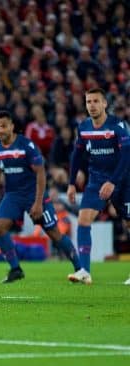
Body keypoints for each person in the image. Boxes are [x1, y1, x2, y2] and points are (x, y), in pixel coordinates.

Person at [0, 110, 81, 283]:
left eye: (3, 126)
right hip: (13, 195)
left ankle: (80, 268)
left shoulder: (26, 145)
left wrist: (38, 203)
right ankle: (16, 269)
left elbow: (41, 173)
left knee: (53, 233)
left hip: (33, 193)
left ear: (12, 127)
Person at [67, 87, 130, 285]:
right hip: (96, 180)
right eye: (88, 102)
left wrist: (113, 182)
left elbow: (127, 155)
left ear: (104, 104)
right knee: (84, 220)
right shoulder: (84, 127)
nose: (92, 106)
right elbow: (76, 156)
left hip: (123, 180)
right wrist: (70, 183)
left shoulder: (117, 126)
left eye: (95, 101)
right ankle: (84, 270)